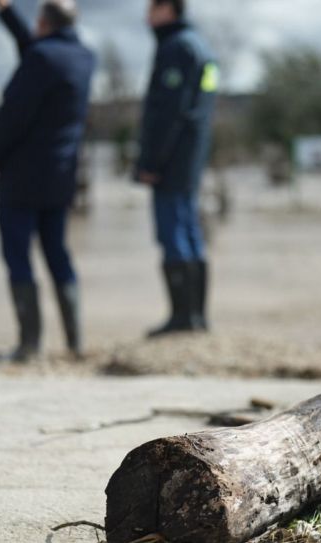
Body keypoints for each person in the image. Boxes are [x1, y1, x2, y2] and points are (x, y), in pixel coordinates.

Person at [0, 0, 96, 361]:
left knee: (18, 256)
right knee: (57, 253)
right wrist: (6, 12)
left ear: (43, 23)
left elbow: (12, 115)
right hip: (60, 176)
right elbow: (38, 51)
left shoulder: (39, 58)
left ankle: (29, 346)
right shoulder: (83, 58)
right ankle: (75, 343)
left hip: (21, 177)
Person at [135, 0, 218, 338]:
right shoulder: (201, 47)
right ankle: (196, 317)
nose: (146, 15)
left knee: (174, 234)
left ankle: (182, 318)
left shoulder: (176, 47)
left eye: (151, 8)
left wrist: (151, 162)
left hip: (172, 160)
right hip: (191, 157)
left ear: (168, 8)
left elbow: (169, 112)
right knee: (191, 233)